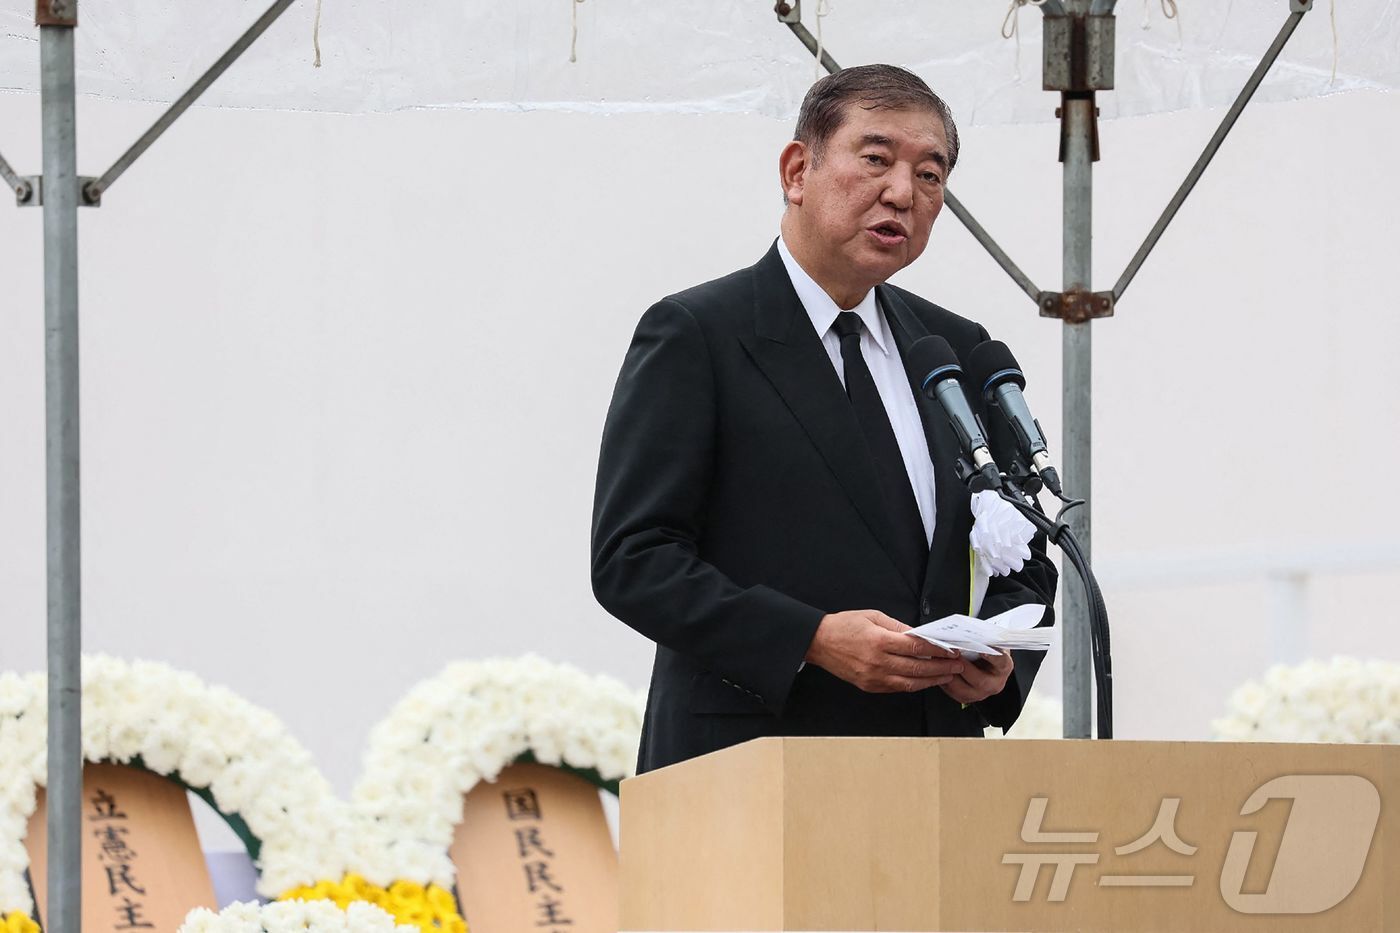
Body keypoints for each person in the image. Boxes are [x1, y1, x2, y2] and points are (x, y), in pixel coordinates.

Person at [591, 64, 1057, 774]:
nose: (902, 191)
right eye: (876, 159)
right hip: (752, 765)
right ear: (797, 169)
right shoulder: (698, 334)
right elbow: (633, 559)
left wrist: (999, 666)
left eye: (930, 175)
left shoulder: (954, 350)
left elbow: (1024, 549)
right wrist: (809, 637)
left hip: (932, 773)